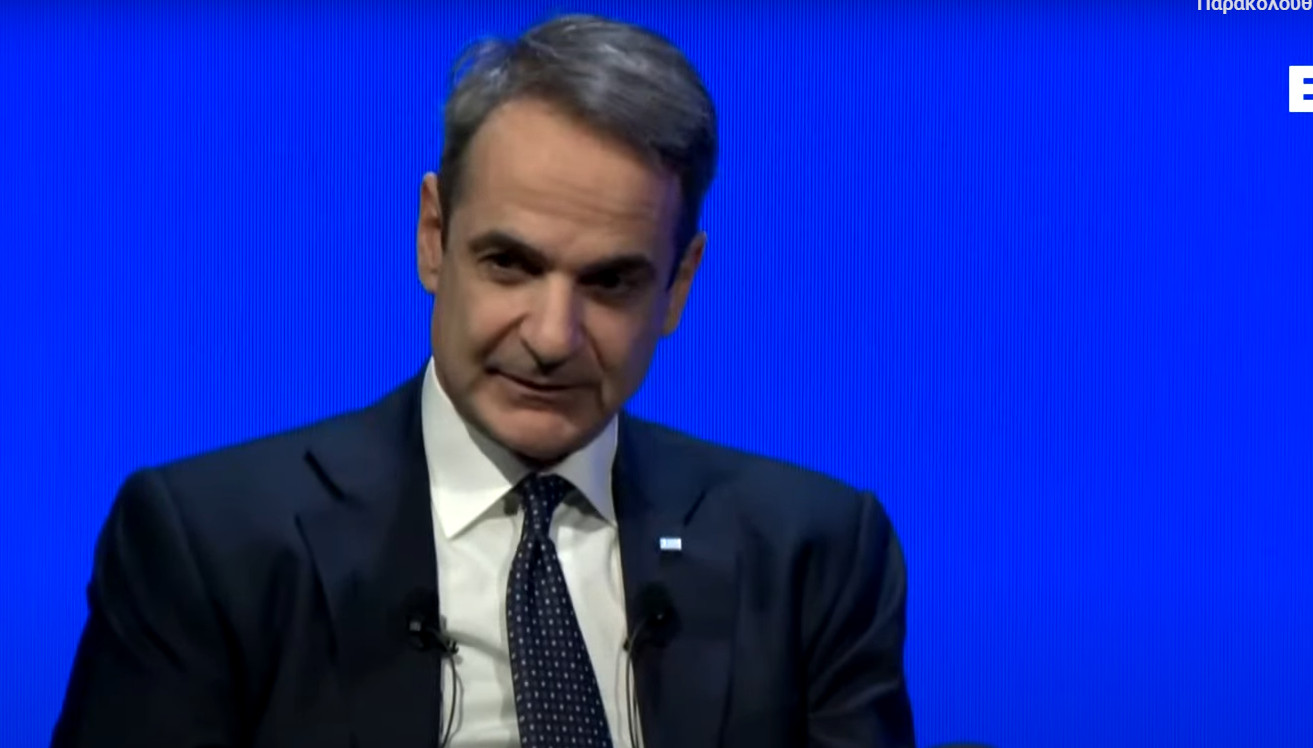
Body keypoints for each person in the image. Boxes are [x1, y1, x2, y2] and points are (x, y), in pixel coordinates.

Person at [51, 13, 915, 748]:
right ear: (433, 237)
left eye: (610, 281)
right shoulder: (211, 546)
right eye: (509, 263)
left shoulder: (814, 556)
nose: (550, 338)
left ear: (678, 285)